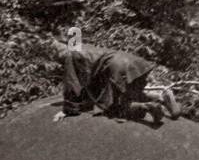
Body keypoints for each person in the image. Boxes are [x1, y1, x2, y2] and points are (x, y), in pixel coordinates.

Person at [52, 41, 182, 124]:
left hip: (118, 69)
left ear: (58, 51)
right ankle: (161, 97)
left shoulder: (70, 56)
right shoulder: (82, 47)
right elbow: (91, 81)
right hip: (134, 62)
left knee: (114, 109)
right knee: (132, 93)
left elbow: (72, 83)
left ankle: (148, 106)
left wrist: (68, 110)